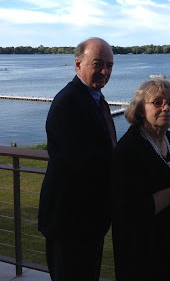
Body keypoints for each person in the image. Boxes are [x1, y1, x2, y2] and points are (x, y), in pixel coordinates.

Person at [38, 37, 116, 281]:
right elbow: (82, 162)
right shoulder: (68, 103)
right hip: (70, 221)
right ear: (78, 64)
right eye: (98, 64)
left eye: (110, 65)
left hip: (88, 220)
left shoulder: (93, 98)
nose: (105, 71)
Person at [111, 78, 170, 281]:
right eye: (157, 102)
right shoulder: (128, 150)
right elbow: (132, 210)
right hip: (141, 250)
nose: (166, 108)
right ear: (140, 109)